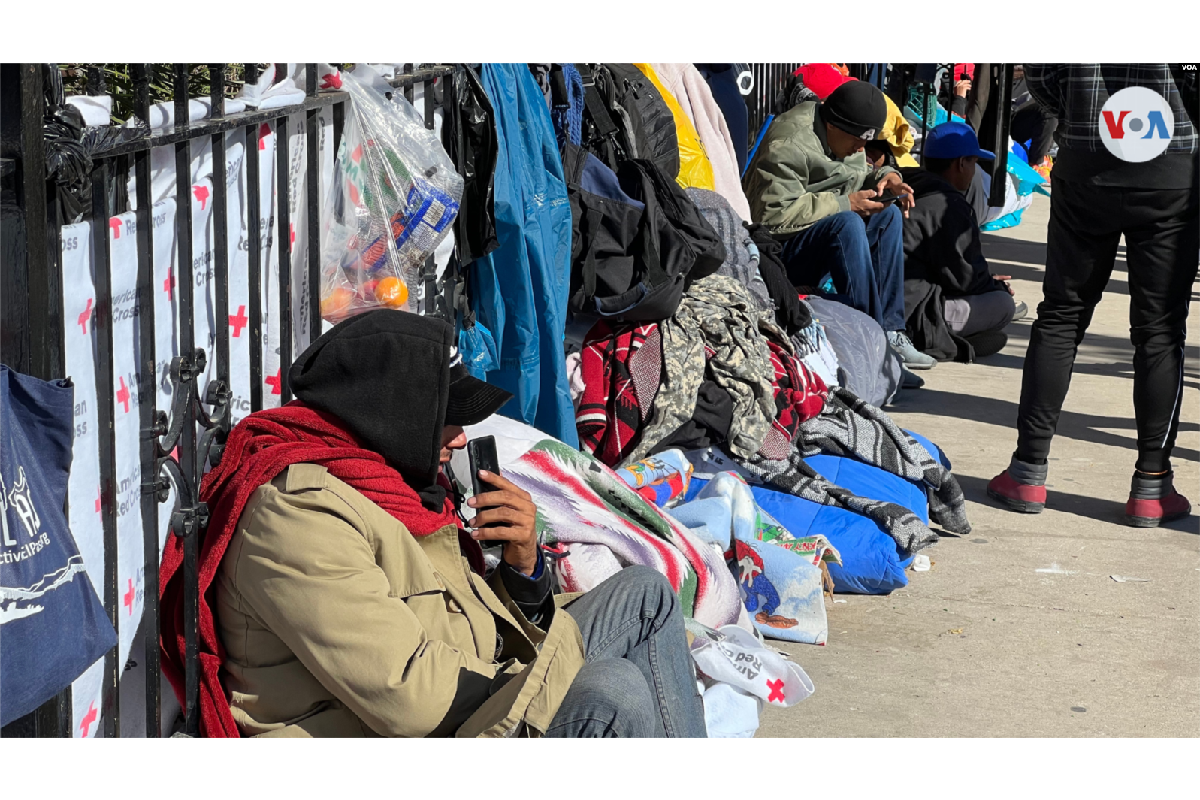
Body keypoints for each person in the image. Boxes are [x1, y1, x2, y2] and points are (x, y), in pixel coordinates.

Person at [160, 311, 706, 738]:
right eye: (448, 421)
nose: (461, 438)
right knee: (613, 694)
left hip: (469, 690)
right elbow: (410, 702)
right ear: (389, 418)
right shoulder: (296, 518)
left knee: (644, 595)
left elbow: (457, 619)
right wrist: (550, 670)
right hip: (419, 722)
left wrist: (525, 575)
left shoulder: (392, 485)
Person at [988, 63, 1197, 528]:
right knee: (1160, 331)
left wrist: (1078, 109)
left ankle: (1028, 470)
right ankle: (1152, 483)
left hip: (1086, 158)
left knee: (1062, 315)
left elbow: (1041, 75)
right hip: (1170, 169)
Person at [744, 79, 936, 370]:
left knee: (888, 215)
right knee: (846, 223)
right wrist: (846, 203)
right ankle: (871, 344)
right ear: (833, 126)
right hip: (778, 252)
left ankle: (890, 332)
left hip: (816, 232)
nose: (861, 149)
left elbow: (855, 177)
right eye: (857, 142)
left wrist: (887, 177)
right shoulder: (788, 144)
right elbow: (772, 216)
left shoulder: (845, 136)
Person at [900, 122, 1019, 361]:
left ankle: (953, 337)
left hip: (894, 296)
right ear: (961, 163)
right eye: (974, 163)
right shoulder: (946, 205)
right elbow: (966, 278)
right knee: (1004, 305)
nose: (974, 171)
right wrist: (993, 286)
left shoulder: (910, 184)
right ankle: (940, 340)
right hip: (911, 312)